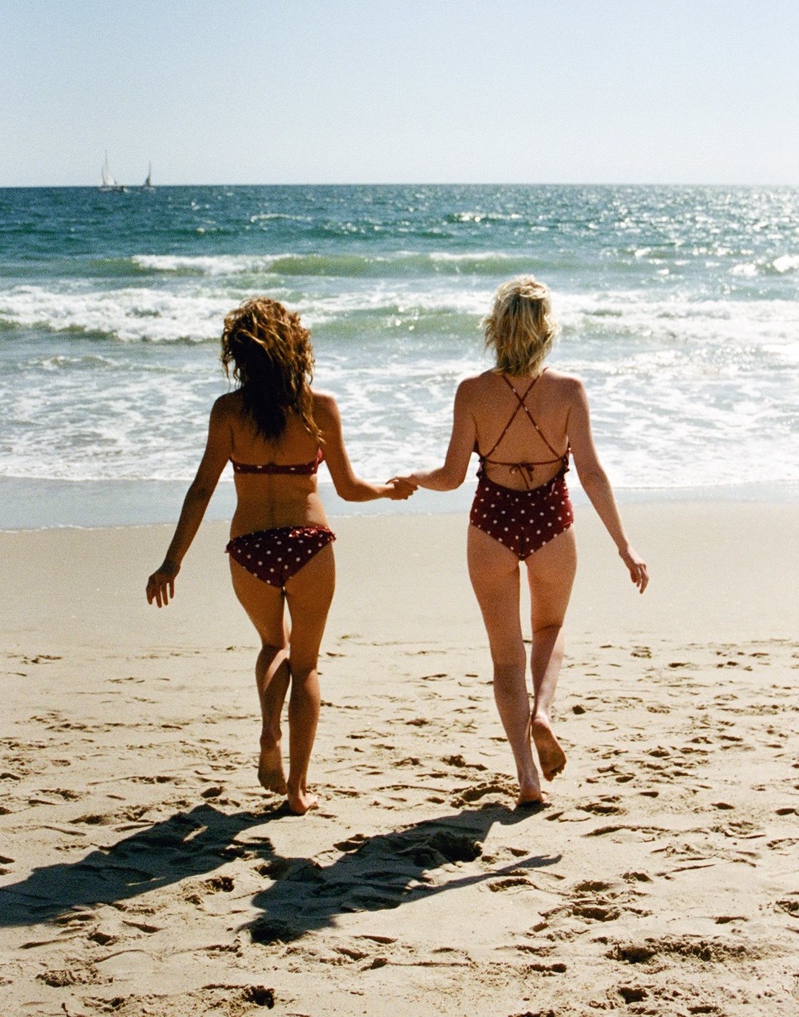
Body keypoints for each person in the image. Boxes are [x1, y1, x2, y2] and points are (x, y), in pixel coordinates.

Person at [146, 297, 415, 815]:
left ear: (241, 354)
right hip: (308, 544)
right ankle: (297, 790)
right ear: (295, 347)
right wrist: (388, 490)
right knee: (307, 664)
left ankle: (269, 730)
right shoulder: (318, 407)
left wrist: (172, 561)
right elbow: (350, 487)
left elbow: (201, 490)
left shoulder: (228, 412)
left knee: (273, 646)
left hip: (249, 548)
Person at [403, 276, 648, 806]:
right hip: (551, 519)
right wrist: (625, 546)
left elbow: (449, 475)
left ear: (497, 328)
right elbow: (593, 474)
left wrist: (412, 479)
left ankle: (526, 777)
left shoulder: (472, 391)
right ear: (547, 329)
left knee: (505, 656)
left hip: (491, 519)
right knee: (551, 626)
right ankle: (545, 713)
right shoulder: (569, 391)